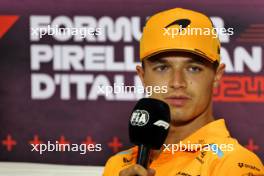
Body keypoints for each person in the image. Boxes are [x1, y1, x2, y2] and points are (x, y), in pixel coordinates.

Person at [103, 8, 264, 176]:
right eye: (162, 68)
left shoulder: (233, 164)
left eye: (194, 68)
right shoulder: (118, 165)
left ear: (217, 75)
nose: (177, 82)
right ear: (142, 77)